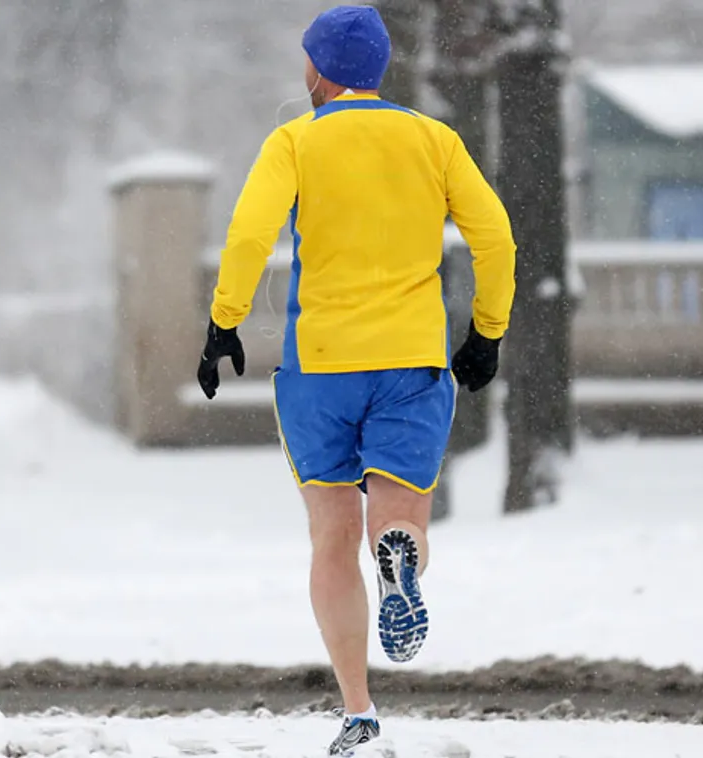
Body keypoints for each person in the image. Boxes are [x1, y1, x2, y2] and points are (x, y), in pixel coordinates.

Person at [194, 6, 517, 755]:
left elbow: (249, 233)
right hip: (409, 362)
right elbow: (494, 235)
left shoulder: (296, 140)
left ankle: (358, 710)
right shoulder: (432, 139)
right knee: (398, 515)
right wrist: (486, 332)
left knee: (331, 537)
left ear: (317, 69)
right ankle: (399, 552)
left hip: (318, 368)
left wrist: (223, 322)